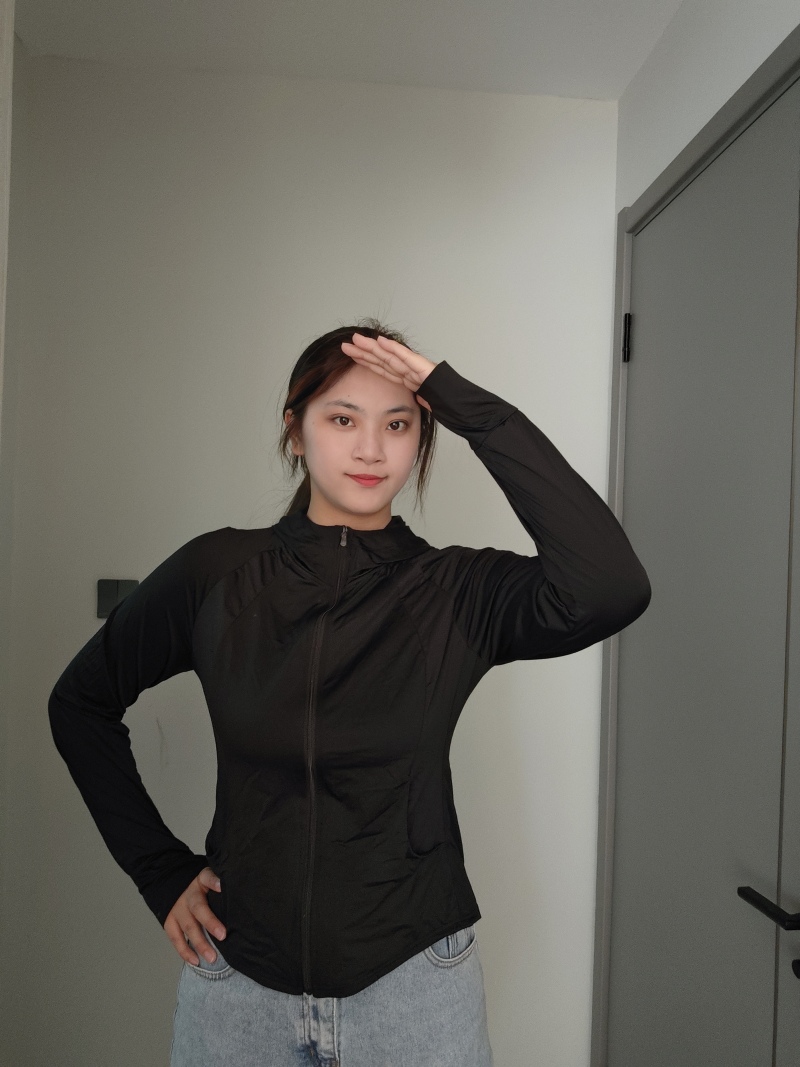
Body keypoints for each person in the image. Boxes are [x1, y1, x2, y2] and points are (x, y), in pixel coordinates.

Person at [48, 318, 651, 1066]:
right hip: (239, 990)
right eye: (342, 419)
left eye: (398, 424)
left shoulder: (455, 591)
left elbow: (611, 586)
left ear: (422, 440)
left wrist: (459, 400)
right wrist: (158, 870)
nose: (371, 449)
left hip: (414, 988)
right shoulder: (217, 574)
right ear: (295, 432)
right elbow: (79, 703)